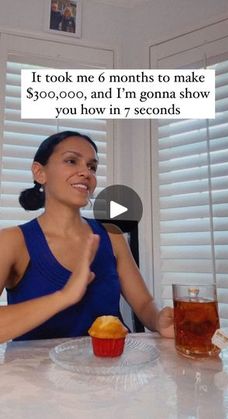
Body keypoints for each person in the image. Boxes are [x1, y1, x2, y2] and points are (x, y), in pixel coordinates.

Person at [0, 131, 174, 343]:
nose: (86, 172)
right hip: (35, 374)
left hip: (111, 370)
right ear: (39, 172)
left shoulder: (112, 237)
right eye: (72, 161)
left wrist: (158, 320)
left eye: (91, 166)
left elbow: (144, 304)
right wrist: (65, 296)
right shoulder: (11, 241)